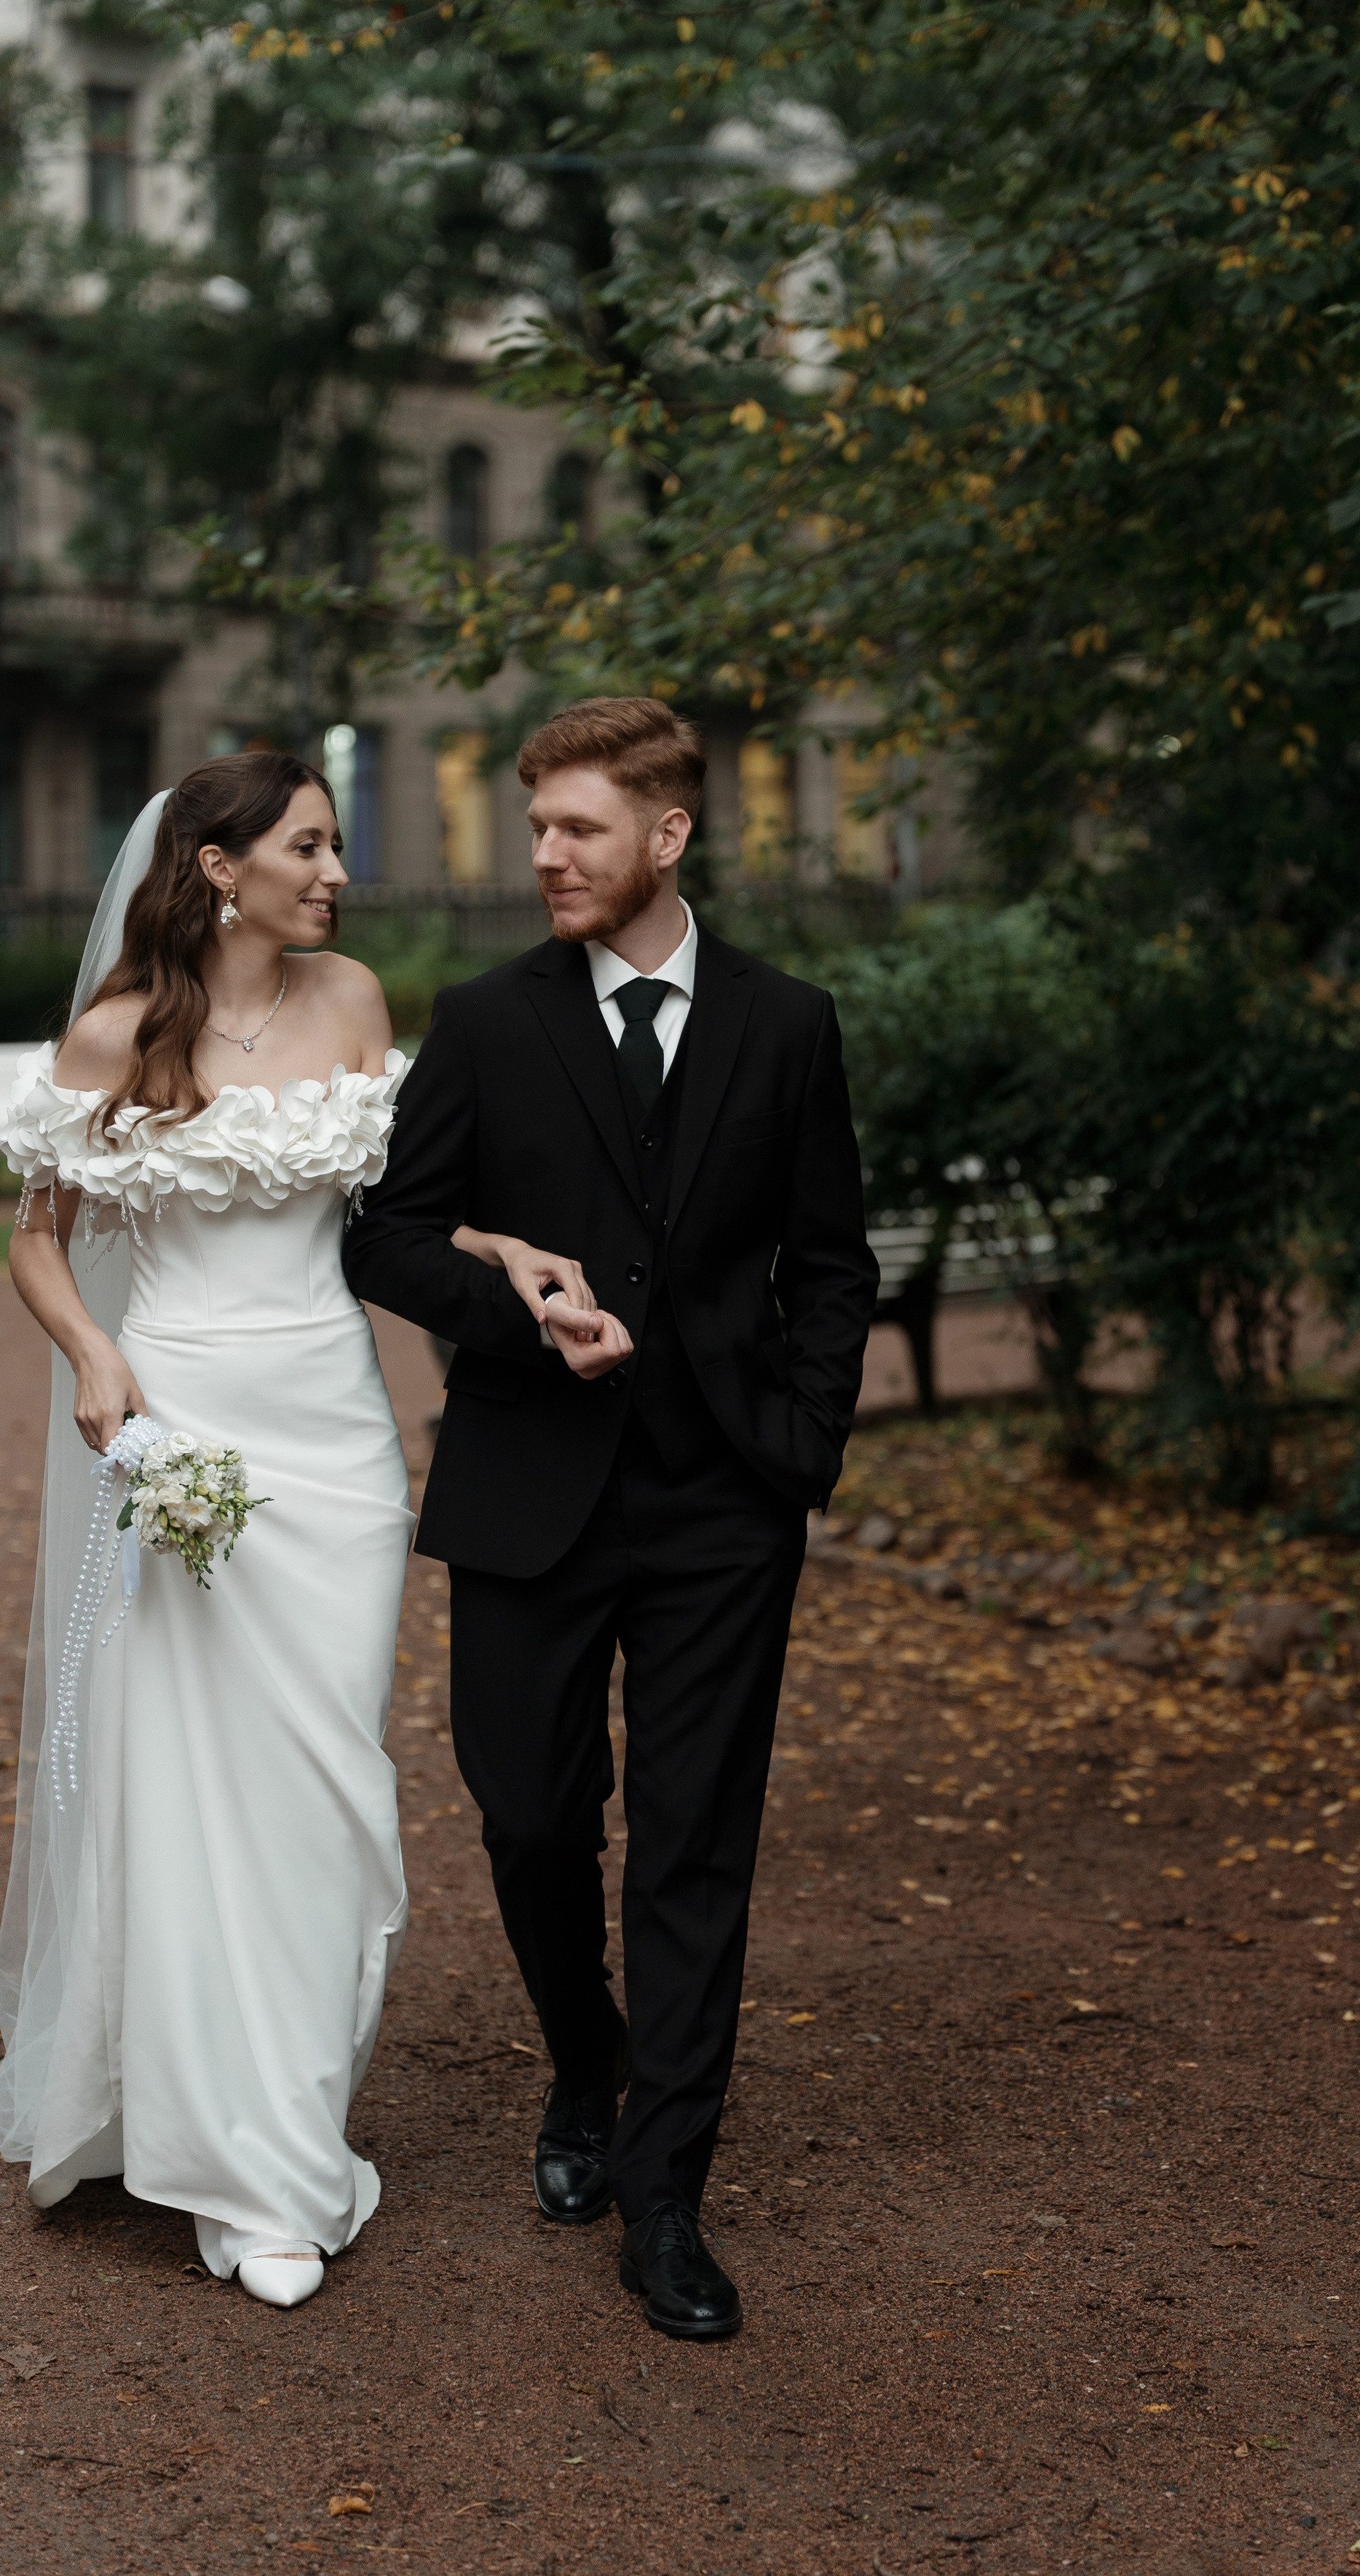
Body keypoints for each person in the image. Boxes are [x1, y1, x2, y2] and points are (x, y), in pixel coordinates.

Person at [0, 751, 582, 2309]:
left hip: (332, 1438)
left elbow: (389, 1212)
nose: (335, 871)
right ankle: (245, 2170)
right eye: (308, 846)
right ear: (214, 868)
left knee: (326, 1785)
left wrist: (501, 1244)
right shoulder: (112, 1037)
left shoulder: (354, 1001)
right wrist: (97, 1361)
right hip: (184, 1420)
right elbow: (37, 1246)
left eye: (333, 845)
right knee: (196, 1786)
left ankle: (287, 2112)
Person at [343, 694, 879, 2342]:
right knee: (524, 1812)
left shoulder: (786, 1026)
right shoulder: (487, 1023)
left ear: (666, 836)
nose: (544, 855)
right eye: (539, 826)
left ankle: (664, 2196)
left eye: (576, 828)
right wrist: (522, 1313)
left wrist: (792, 1441)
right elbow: (389, 1239)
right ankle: (588, 2057)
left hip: (722, 1498)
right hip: (529, 1485)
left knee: (695, 1844)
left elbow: (831, 1261)